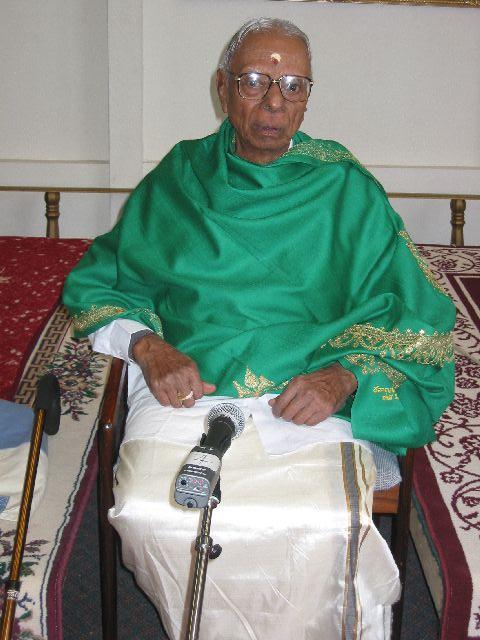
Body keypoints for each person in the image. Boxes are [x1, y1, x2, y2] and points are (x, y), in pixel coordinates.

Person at [63, 17, 455, 640]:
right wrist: (148, 346)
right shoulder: (180, 177)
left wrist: (345, 376)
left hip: (306, 395)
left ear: (308, 98)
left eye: (294, 86)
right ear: (223, 88)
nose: (274, 102)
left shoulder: (345, 188)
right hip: (189, 388)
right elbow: (102, 282)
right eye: (254, 81)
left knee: (321, 524)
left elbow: (419, 314)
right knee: (146, 512)